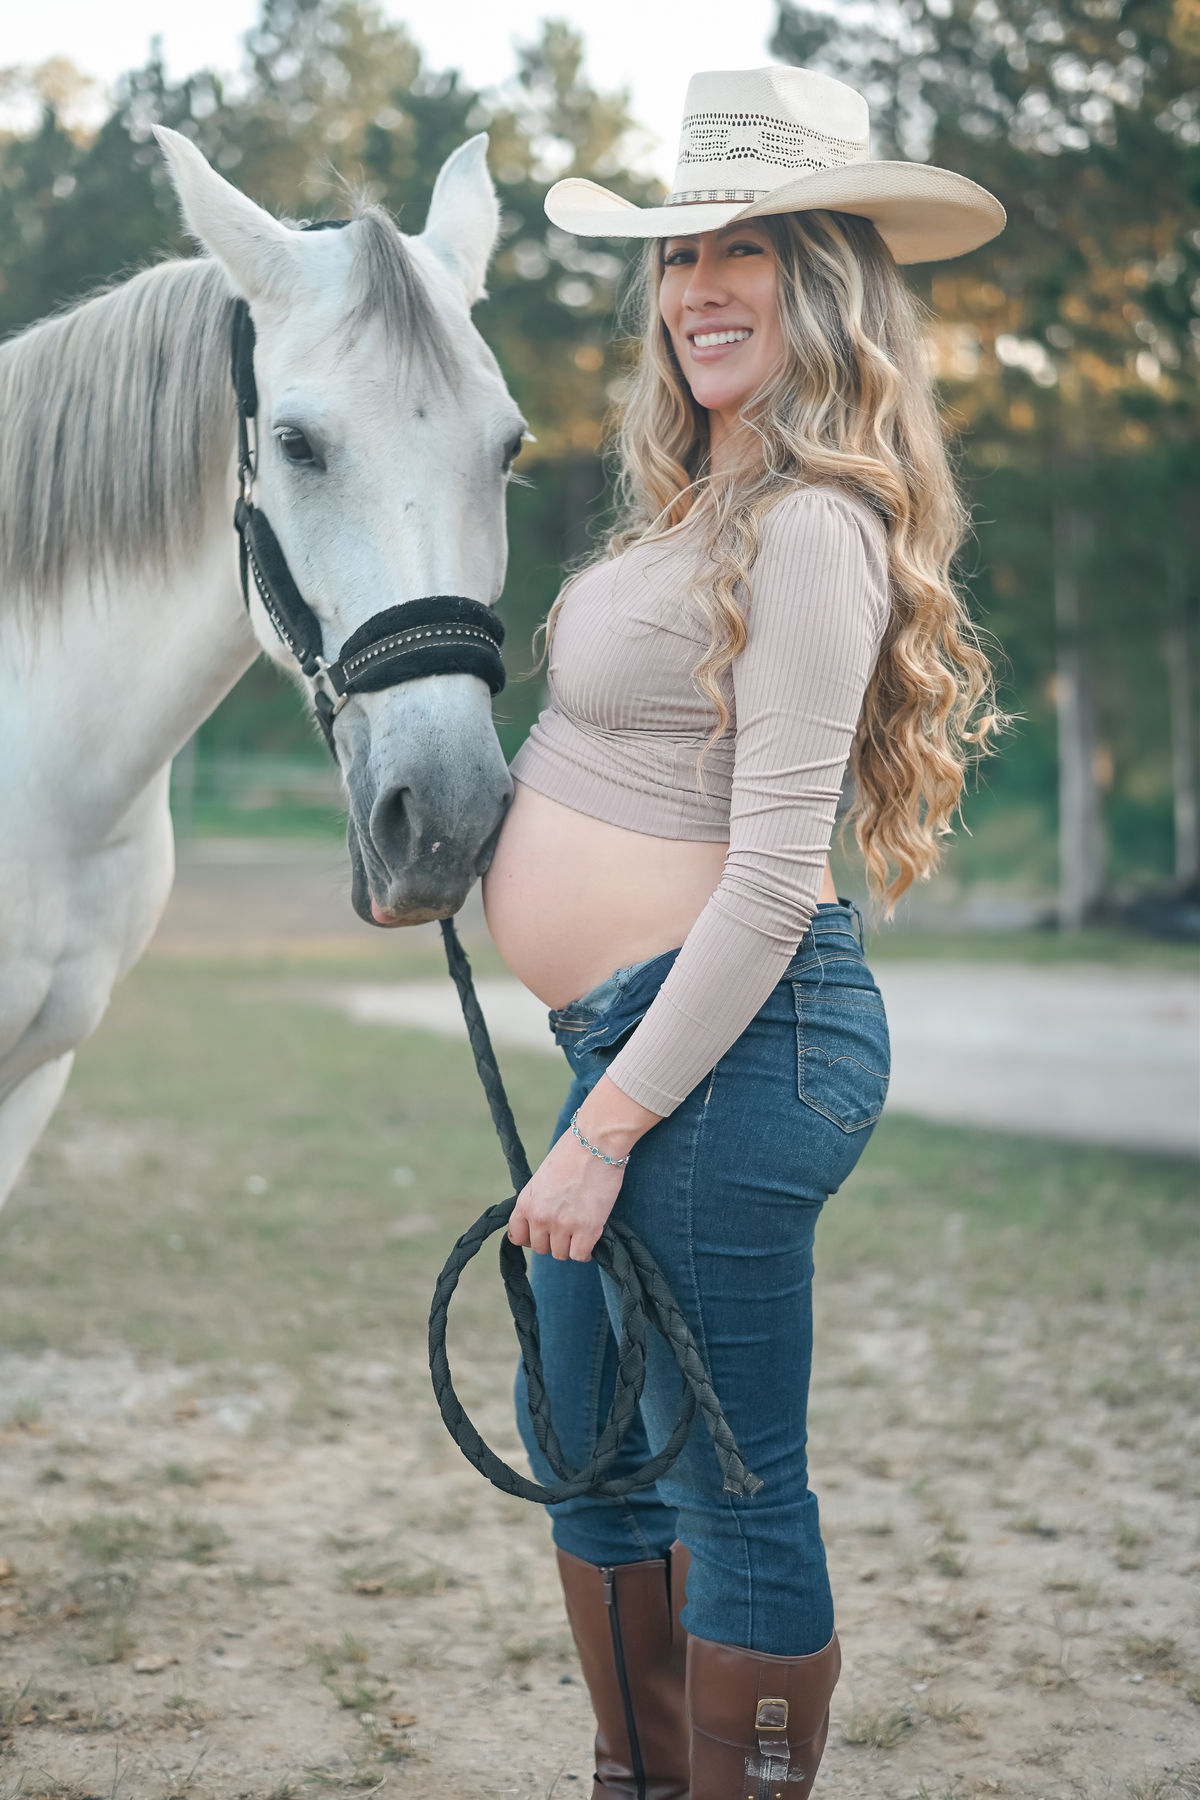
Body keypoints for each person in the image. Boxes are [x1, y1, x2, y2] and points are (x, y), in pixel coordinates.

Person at [482, 65, 1004, 1800]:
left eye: (743, 250)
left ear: (825, 281)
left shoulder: (814, 527)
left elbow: (775, 880)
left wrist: (605, 1130)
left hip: (734, 1050)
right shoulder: (692, 516)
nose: (698, 287)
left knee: (733, 1486)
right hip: (633, 1050)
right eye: (676, 254)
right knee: (586, 1449)